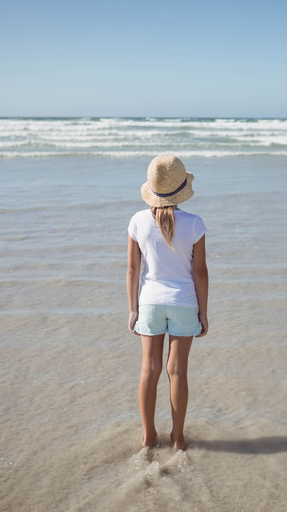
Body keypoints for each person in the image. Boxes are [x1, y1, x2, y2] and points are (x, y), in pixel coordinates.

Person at [127, 154, 209, 451]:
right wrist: (204, 311)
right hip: (184, 303)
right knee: (178, 371)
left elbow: (133, 270)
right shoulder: (194, 223)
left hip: (149, 302)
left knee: (149, 369)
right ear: (180, 189)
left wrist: (133, 309)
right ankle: (177, 438)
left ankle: (149, 437)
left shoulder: (137, 221)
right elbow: (199, 271)